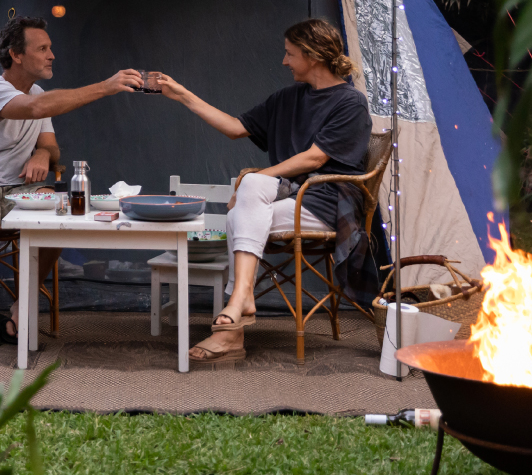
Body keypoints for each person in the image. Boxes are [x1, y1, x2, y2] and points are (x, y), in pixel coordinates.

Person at [154, 18, 372, 365]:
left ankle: (235, 317)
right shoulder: (288, 98)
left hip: (326, 202)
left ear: (312, 55)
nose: (284, 61)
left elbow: (316, 157)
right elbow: (235, 128)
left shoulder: (350, 103)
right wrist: (182, 94)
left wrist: (251, 180)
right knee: (242, 217)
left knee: (242, 208)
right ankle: (239, 308)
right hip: (287, 199)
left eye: (289, 53)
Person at [0, 16, 142, 347]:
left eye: (51, 48)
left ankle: (24, 303)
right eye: (43, 48)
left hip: (17, 188)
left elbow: (50, 143)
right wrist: (106, 86)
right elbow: (34, 109)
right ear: (16, 55)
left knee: (60, 212)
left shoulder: (39, 92)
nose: (52, 55)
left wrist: (42, 156)